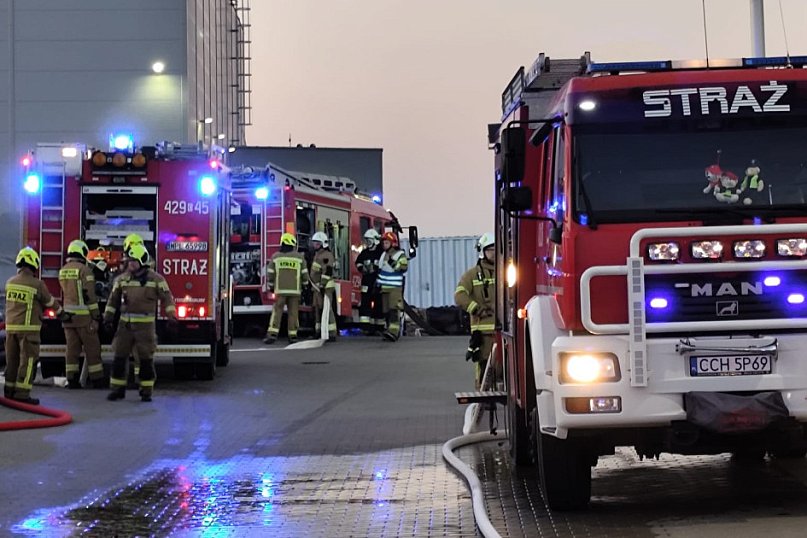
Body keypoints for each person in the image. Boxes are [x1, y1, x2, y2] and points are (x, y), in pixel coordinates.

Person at [103, 245, 177, 402]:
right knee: (119, 357)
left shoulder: (156, 279)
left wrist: (171, 316)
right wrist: (108, 319)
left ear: (142, 262)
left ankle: (146, 390)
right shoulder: (122, 279)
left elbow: (167, 298)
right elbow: (112, 301)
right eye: (129, 261)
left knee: (145, 360)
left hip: (145, 328)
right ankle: (117, 389)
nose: (130, 264)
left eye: (133, 261)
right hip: (125, 326)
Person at [4, 247, 69, 404]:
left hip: (11, 329)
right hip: (29, 331)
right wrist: (63, 314)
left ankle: (9, 391)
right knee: (28, 362)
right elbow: (49, 302)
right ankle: (22, 394)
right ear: (34, 264)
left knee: (12, 361)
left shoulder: (10, 282)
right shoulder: (37, 284)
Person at [59, 239, 105, 389]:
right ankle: (97, 380)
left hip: (68, 318)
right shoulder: (85, 271)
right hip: (84, 318)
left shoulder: (63, 270)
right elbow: (89, 297)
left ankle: (71, 379)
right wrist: (96, 316)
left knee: (71, 349)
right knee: (92, 349)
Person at [454, 233, 498, 390]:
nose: (493, 253)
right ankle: (483, 396)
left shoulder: (508, 271)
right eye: (490, 249)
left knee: (505, 366)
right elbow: (459, 295)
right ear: (482, 251)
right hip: (483, 331)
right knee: (484, 365)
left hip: (504, 330)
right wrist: (475, 308)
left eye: (495, 249)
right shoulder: (471, 275)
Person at [264, 233, 308, 344]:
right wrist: (305, 285)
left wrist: (271, 286)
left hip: (280, 291)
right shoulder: (299, 257)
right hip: (295, 291)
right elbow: (304, 274)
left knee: (277, 312)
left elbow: (270, 274)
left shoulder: (276, 257)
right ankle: (292, 336)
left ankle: (272, 335)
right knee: (293, 313)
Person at [377, 232, 408, 342]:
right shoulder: (383, 255)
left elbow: (403, 267)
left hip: (395, 288)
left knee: (394, 310)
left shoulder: (400, 254)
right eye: (383, 243)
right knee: (386, 311)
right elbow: (380, 269)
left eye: (386, 242)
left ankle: (394, 332)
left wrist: (392, 262)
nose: (384, 245)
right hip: (384, 288)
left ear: (393, 243)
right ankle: (388, 330)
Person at [309, 231, 337, 342]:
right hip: (316, 287)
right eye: (314, 243)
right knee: (317, 308)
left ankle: (332, 333)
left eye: (316, 243)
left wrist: (322, 285)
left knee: (327, 309)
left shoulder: (327, 255)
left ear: (322, 244)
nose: (314, 245)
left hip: (325, 287)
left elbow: (328, 271)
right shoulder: (318, 254)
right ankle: (318, 331)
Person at [355, 229, 385, 334]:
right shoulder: (364, 253)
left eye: (369, 240)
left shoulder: (381, 253)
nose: (367, 243)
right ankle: (366, 327)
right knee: (365, 304)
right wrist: (362, 268)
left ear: (375, 241)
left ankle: (379, 327)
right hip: (366, 282)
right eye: (366, 241)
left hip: (377, 283)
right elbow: (358, 263)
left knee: (379, 305)